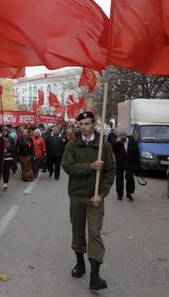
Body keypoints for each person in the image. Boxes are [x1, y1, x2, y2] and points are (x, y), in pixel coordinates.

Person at [62, 111, 115, 291]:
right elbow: (68, 167)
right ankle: (80, 264)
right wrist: (90, 166)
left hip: (95, 197)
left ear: (94, 124)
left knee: (94, 233)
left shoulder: (104, 146)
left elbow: (110, 172)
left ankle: (95, 276)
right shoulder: (72, 145)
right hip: (76, 195)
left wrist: (102, 194)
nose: (83, 127)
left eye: (87, 123)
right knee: (77, 231)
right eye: (81, 124)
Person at [112, 132, 137, 201]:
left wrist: (136, 164)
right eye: (121, 138)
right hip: (119, 163)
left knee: (129, 178)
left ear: (126, 137)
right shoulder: (117, 142)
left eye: (124, 138)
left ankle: (129, 193)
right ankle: (119, 195)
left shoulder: (132, 141)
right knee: (119, 179)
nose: (123, 140)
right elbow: (111, 148)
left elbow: (136, 152)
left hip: (129, 163)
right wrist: (115, 142)